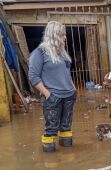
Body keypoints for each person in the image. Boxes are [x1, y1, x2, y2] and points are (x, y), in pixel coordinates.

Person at [29, 21, 77, 152]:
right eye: (62, 35)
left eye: (64, 34)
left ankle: (69, 160)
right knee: (51, 129)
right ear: (53, 35)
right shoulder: (40, 53)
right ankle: (51, 163)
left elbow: (67, 73)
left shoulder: (62, 53)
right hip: (53, 97)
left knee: (66, 127)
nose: (65, 37)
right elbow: (33, 76)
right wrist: (47, 94)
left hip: (69, 96)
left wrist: (73, 89)